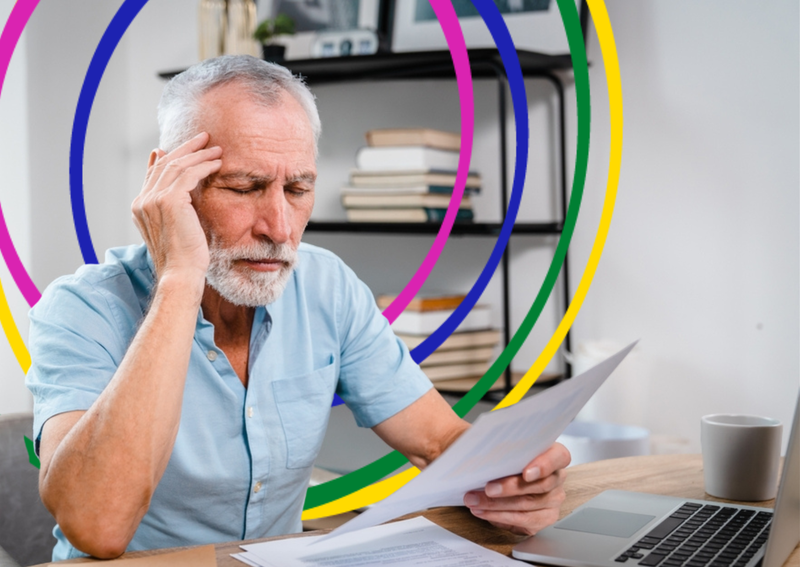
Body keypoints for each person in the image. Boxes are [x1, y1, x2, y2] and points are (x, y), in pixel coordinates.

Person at [25, 55, 570, 560]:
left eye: (298, 189)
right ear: (169, 182)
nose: (280, 229)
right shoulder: (81, 309)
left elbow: (440, 441)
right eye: (244, 187)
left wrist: (516, 479)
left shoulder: (327, 285)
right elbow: (96, 526)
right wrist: (179, 279)